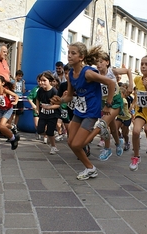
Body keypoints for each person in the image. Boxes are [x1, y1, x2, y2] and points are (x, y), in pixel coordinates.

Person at [50, 42, 115, 180]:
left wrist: (108, 103)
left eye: (73, 53)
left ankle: (99, 129)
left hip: (91, 111)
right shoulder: (72, 74)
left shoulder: (88, 73)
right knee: (70, 142)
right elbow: (68, 96)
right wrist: (59, 100)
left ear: (81, 57)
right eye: (69, 53)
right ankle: (90, 168)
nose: (69, 56)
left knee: (77, 144)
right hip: (80, 110)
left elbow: (111, 83)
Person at [84, 51, 133, 161]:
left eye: (101, 62)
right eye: (97, 62)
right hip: (104, 103)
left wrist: (130, 84)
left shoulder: (112, 71)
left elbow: (128, 70)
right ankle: (117, 142)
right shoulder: (95, 74)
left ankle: (107, 148)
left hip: (115, 102)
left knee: (103, 124)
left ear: (107, 62)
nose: (99, 64)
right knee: (113, 127)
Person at [36, 71, 61, 155]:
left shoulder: (54, 91)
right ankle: (51, 136)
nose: (42, 82)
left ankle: (53, 146)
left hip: (53, 115)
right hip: (43, 114)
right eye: (40, 80)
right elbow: (37, 99)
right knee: (39, 130)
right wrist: (37, 108)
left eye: (44, 80)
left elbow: (58, 105)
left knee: (50, 131)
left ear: (50, 81)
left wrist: (49, 107)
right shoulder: (40, 90)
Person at [115, 84, 132, 151]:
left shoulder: (124, 100)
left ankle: (127, 142)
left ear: (123, 94)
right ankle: (119, 138)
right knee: (115, 129)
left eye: (119, 93)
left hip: (127, 118)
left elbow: (122, 104)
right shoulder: (118, 99)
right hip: (120, 117)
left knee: (125, 134)